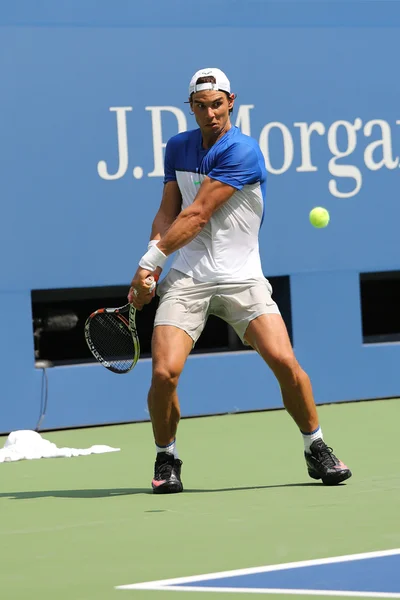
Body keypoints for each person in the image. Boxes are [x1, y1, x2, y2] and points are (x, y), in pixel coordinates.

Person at [128, 67, 352, 494]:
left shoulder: (242, 151)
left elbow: (196, 216)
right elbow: (169, 209)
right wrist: (150, 265)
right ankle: (166, 455)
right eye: (202, 106)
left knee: (285, 363)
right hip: (188, 277)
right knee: (164, 374)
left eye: (218, 104)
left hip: (241, 278)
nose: (211, 113)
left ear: (232, 102)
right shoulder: (177, 147)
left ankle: (315, 447)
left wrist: (149, 259)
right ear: (191, 108)